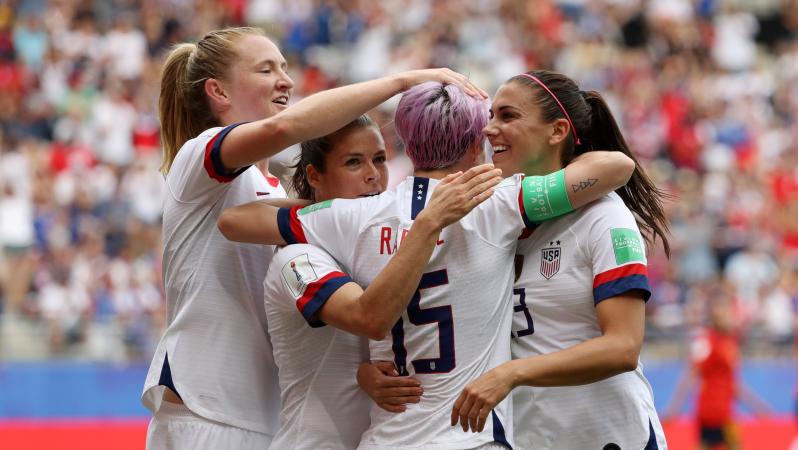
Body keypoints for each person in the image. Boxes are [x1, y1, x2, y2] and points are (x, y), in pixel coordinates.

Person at [218, 81, 633, 449]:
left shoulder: (353, 218)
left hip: (386, 437)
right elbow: (616, 166)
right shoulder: (501, 201)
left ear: (406, 144)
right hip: (468, 438)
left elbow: (234, 220)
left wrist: (327, 209)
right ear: (475, 145)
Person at [142, 25, 487, 450]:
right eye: (266, 70)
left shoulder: (277, 200)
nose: (285, 80)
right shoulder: (199, 157)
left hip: (257, 411)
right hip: (207, 406)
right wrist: (403, 81)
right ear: (219, 92)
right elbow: (281, 131)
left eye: (284, 67)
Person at [448, 70, 670, 449]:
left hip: (612, 437)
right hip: (533, 438)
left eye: (508, 116)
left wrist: (512, 373)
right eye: (490, 117)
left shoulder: (604, 216)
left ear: (557, 131)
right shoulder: (493, 216)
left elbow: (623, 347)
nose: (490, 130)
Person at [260, 115, 502, 449]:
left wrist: (366, 372)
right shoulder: (296, 257)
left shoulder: (376, 243)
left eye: (379, 159)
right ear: (314, 175)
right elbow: (367, 318)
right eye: (353, 162)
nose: (373, 174)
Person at [664, 288, 770, 450]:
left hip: (724, 410)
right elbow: (690, 374)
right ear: (714, 315)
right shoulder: (706, 342)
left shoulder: (730, 341)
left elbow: (732, 384)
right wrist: (674, 409)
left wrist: (756, 406)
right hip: (711, 412)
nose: (727, 315)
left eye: (728, 310)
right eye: (721, 310)